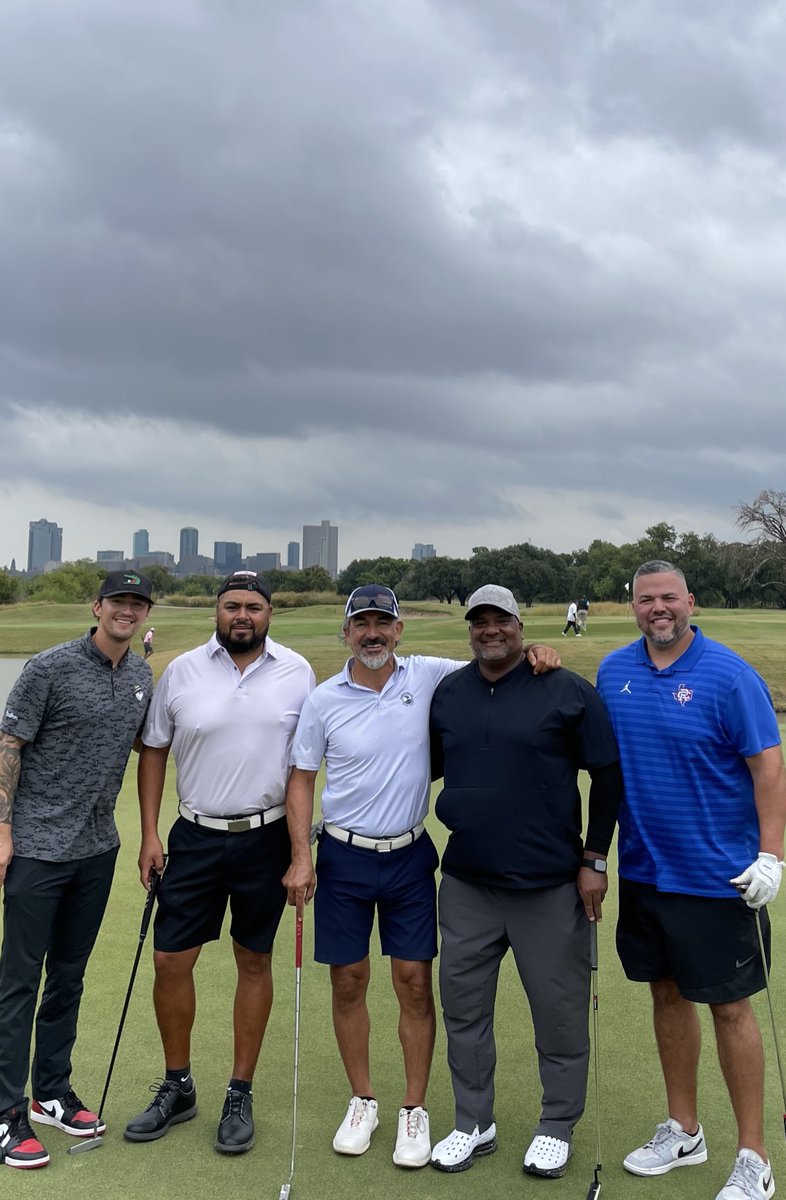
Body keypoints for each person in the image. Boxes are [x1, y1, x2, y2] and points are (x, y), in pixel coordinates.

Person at [283, 584, 560, 1170]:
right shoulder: (324, 699)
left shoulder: (429, 675)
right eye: (362, 624)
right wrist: (301, 858)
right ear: (347, 633)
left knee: (413, 980)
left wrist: (535, 649)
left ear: (399, 630)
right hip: (342, 856)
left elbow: (494, 658)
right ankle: (363, 1100)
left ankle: (414, 1108)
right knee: (349, 981)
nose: (373, 633)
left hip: (410, 856)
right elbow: (303, 778)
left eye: (383, 623)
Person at [596, 560, 786, 1200]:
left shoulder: (730, 675)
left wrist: (771, 856)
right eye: (646, 599)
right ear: (633, 607)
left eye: (669, 598)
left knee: (731, 1009)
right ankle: (684, 1128)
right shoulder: (614, 672)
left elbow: (769, 768)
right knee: (667, 995)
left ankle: (754, 1156)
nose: (658, 609)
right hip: (646, 873)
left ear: (690, 602)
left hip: (718, 877)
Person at [428, 584, 622, 1178]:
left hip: (549, 885)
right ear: (470, 629)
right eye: (479, 621)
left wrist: (593, 860)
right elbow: (435, 764)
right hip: (467, 883)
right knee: (463, 1010)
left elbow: (607, 777)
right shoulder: (449, 692)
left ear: (520, 625)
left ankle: (556, 1124)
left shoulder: (564, 689)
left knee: (558, 1011)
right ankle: (474, 1122)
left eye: (501, 621)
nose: (490, 630)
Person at [124, 571, 314, 1156]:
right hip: (195, 835)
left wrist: (301, 851)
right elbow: (153, 752)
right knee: (170, 959)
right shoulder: (181, 670)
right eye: (231, 605)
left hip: (266, 836)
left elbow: (304, 767)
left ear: (269, 615)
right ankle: (178, 1085)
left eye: (253, 607)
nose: (242, 616)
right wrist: (150, 832)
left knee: (253, 961)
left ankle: (240, 1091)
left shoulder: (298, 671)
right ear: (217, 611)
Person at [0, 571, 155, 1170]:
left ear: (144, 614)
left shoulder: (141, 675)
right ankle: (7, 1110)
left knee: (69, 976)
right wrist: (5, 829)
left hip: (96, 847)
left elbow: (148, 746)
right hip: (37, 846)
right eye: (118, 601)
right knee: (20, 981)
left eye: (137, 604)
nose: (126, 611)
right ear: (97, 607)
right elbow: (9, 744)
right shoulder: (49, 667)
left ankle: (52, 1093)